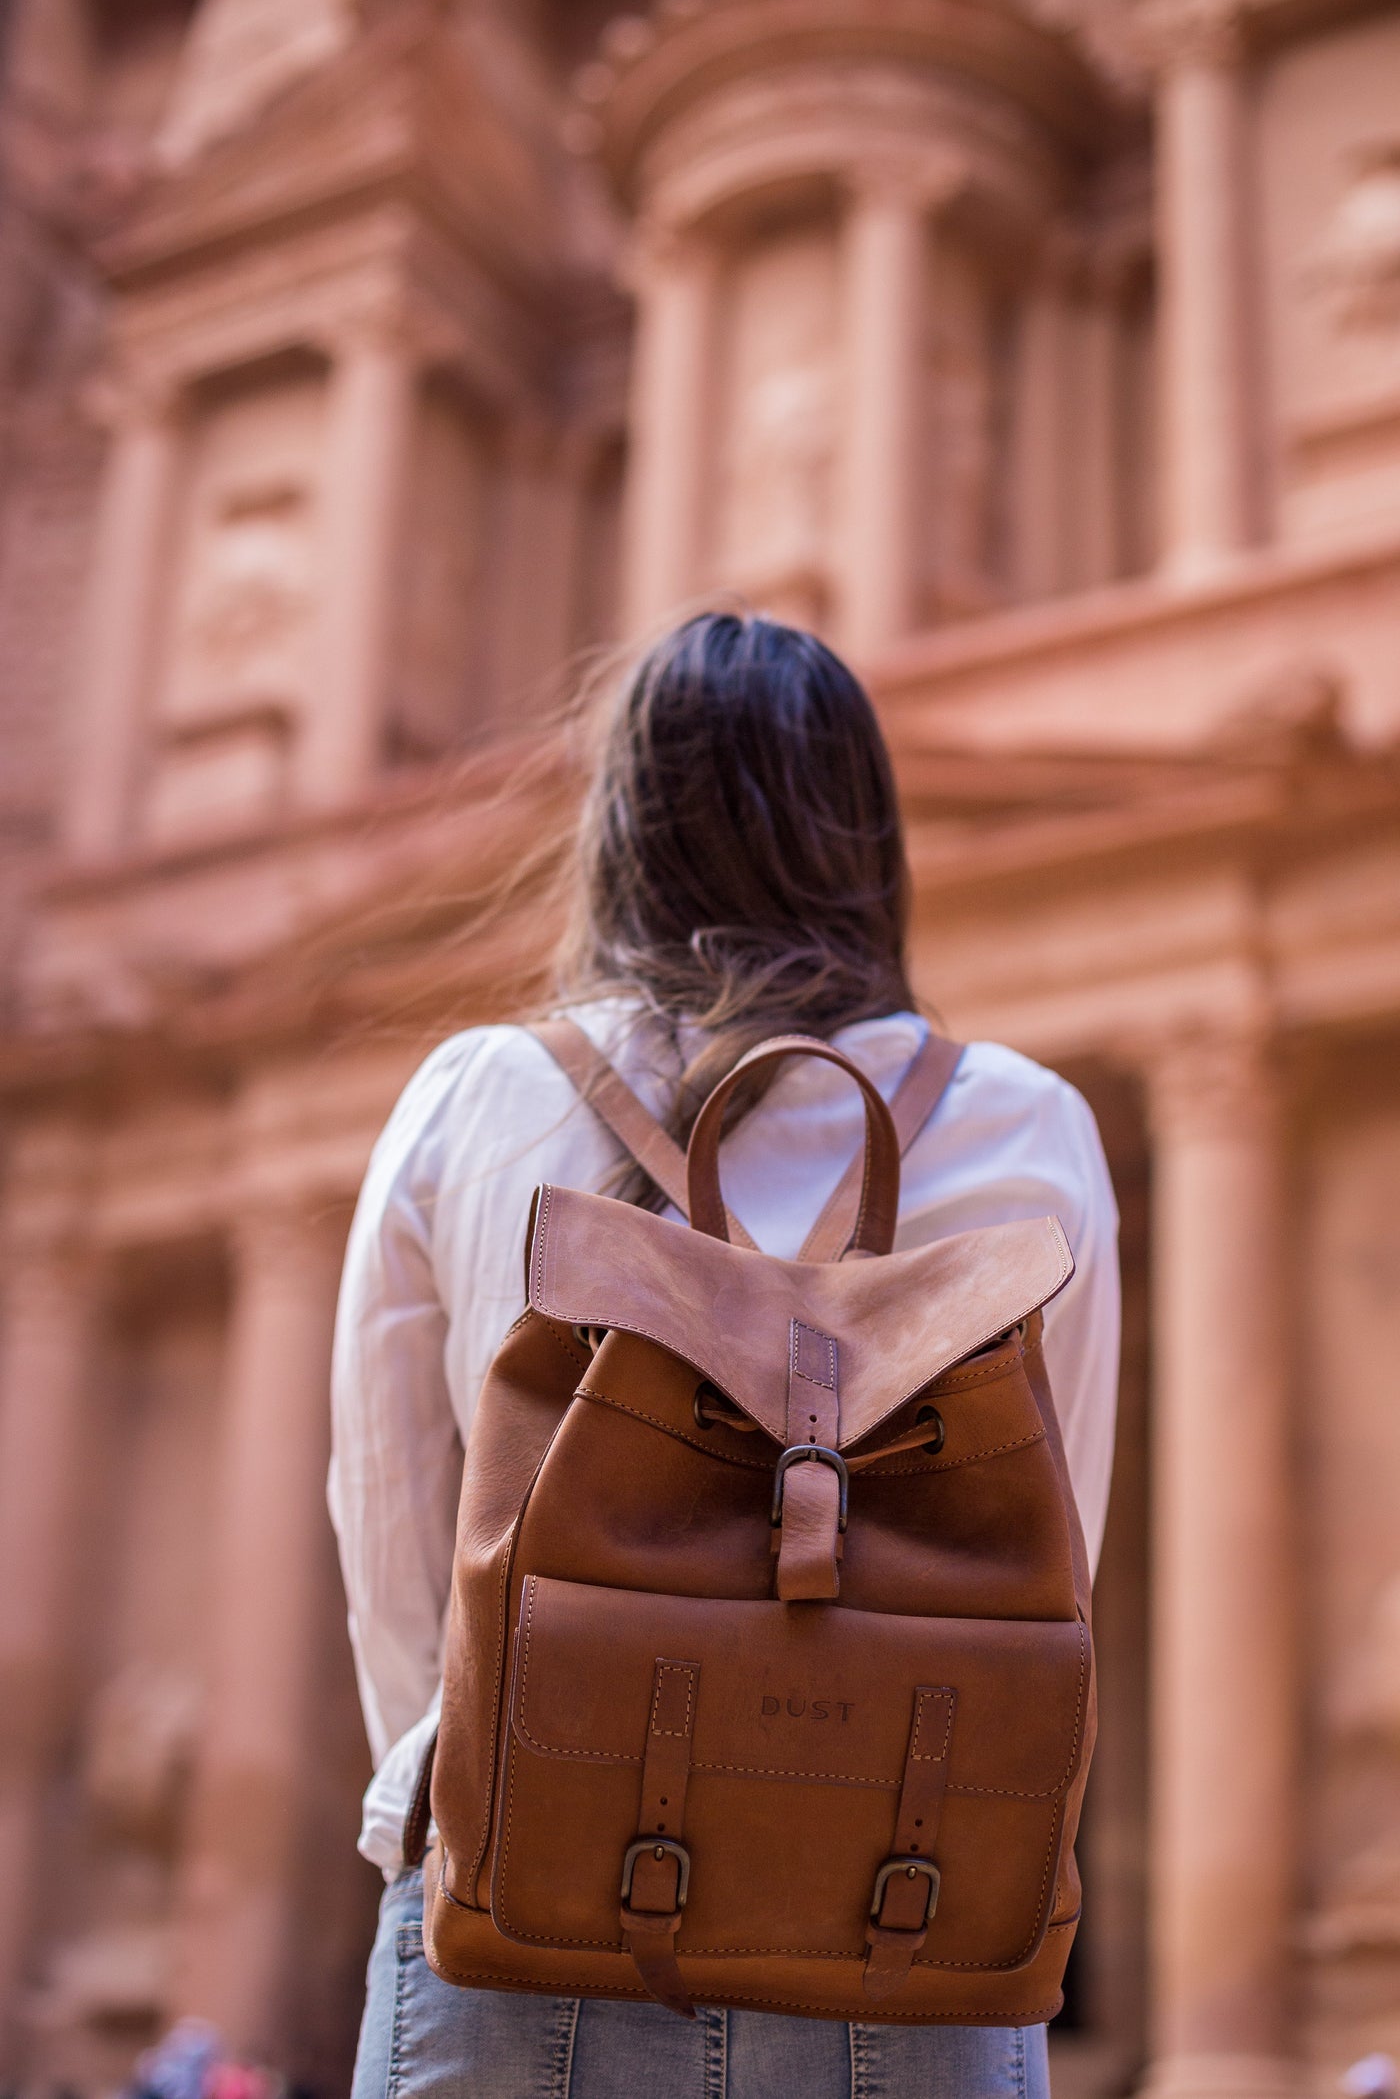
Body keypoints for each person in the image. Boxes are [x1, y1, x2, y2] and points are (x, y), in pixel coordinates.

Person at [330, 611, 1121, 2099]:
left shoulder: (473, 1099)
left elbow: (392, 1535)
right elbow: (1053, 1552)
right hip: (915, 1899)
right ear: (867, 840)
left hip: (522, 1917)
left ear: (619, 827)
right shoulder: (1029, 1130)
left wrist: (489, 1795)